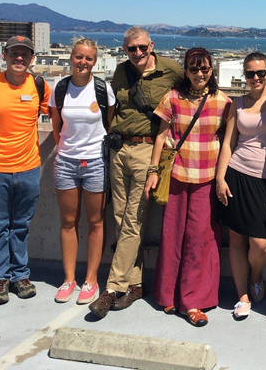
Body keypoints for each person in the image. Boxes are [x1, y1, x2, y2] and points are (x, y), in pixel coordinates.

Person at [89, 27, 182, 318]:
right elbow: (116, 108)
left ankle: (112, 288)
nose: (138, 54)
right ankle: (137, 284)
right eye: (132, 49)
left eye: (143, 48)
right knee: (120, 220)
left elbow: (189, 97)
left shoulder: (171, 70)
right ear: (125, 49)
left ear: (151, 45)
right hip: (119, 150)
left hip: (148, 152)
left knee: (133, 220)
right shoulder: (120, 72)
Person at [145, 48, 231, 327]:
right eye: (193, 69)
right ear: (186, 71)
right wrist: (153, 172)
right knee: (171, 235)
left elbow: (230, 142)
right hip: (177, 177)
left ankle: (192, 300)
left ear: (211, 70)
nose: (199, 74)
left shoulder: (223, 102)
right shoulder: (173, 98)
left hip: (207, 179)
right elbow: (160, 137)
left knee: (200, 239)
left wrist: (222, 178)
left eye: (204, 68)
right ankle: (168, 294)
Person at [0, 35, 51, 306]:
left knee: (21, 226)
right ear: (4, 56)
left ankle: (20, 276)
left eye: (24, 54)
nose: (19, 58)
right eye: (14, 53)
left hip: (28, 168)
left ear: (31, 59)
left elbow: (60, 113)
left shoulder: (38, 85)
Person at [49, 39, 116, 305]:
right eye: (79, 57)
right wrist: (68, 149)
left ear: (95, 61)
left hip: (96, 162)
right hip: (66, 162)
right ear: (70, 58)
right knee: (68, 222)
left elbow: (109, 124)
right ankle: (69, 279)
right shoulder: (59, 88)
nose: (83, 62)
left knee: (96, 222)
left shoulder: (102, 89)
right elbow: (56, 126)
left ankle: (91, 279)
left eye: (88, 58)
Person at [215, 52, 266, 320]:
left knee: (261, 243)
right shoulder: (236, 104)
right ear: (244, 75)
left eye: (260, 73)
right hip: (235, 174)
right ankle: (242, 294)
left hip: (265, 179)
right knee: (236, 239)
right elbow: (229, 143)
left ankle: (256, 276)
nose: (255, 78)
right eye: (250, 73)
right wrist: (220, 179)